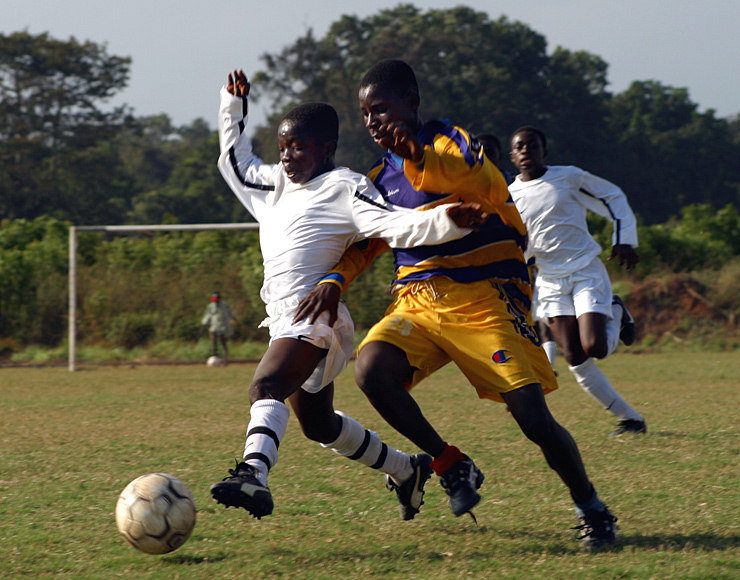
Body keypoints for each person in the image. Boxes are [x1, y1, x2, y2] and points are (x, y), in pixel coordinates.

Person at [295, 60, 618, 550]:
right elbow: (365, 242)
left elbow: (478, 175)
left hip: (486, 299)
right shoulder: (379, 178)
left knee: (533, 419)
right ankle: (448, 463)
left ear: (412, 104)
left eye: (382, 109)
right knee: (371, 370)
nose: (374, 122)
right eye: (366, 115)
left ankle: (591, 507)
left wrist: (418, 154)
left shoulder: (451, 144)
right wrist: (335, 278)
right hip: (418, 300)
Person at [209, 69, 488, 521]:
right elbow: (234, 161)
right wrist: (232, 105)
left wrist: (449, 221)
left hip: (318, 318)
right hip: (282, 321)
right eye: (282, 147)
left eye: (297, 147)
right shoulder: (272, 184)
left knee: (266, 386)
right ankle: (407, 470)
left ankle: (252, 474)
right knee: (318, 425)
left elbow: (397, 224)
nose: (286, 157)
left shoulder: (345, 186)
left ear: (326, 148)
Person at [508, 126, 646, 438]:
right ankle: (631, 419)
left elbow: (613, 195)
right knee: (576, 360)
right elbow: (515, 241)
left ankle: (618, 312)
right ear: (512, 156)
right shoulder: (509, 195)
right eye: (520, 147)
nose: (526, 150)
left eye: (533, 145)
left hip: (585, 270)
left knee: (595, 347)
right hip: (550, 281)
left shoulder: (568, 177)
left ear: (545, 151)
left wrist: (624, 239)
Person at [479, 137, 558, 370]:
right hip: (486, 267)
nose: (484, 158)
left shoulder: (510, 185)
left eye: (490, 153)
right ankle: (520, 373)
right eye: (479, 153)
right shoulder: (463, 184)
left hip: (522, 262)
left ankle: (541, 370)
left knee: (535, 315)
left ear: (500, 157)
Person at [201, 291, 237, 362]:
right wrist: (203, 325)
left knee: (223, 344)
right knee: (214, 344)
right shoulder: (210, 306)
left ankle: (225, 359)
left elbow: (230, 313)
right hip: (214, 328)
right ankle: (215, 359)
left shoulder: (224, 305)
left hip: (223, 328)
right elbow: (207, 316)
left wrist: (235, 319)